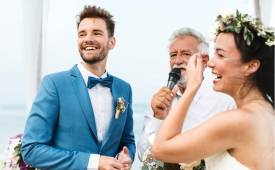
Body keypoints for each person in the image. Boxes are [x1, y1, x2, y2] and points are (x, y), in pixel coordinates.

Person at [152, 11, 274, 170]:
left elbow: (160, 150)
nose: (210, 63)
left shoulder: (238, 120)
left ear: (251, 66)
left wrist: (191, 89)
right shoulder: (267, 110)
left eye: (220, 55)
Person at [21, 5, 135, 170]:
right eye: (82, 34)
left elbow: (128, 141)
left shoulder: (124, 89)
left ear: (112, 42)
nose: (88, 38)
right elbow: (31, 150)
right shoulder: (54, 84)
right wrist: (94, 162)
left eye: (96, 33)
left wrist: (126, 156)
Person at [138, 27, 235, 169]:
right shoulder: (161, 100)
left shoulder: (224, 101)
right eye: (172, 55)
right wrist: (157, 117)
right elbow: (143, 156)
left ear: (204, 60)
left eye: (185, 54)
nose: (177, 61)